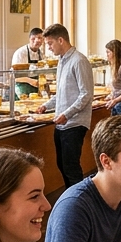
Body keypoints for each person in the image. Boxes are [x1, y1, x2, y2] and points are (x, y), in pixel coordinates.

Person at [35, 24, 93, 189]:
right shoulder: (61, 61)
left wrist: (66, 114)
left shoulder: (79, 61)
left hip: (74, 123)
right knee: (62, 165)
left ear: (61, 40)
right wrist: (46, 106)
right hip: (61, 123)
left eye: (50, 43)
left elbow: (86, 94)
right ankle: (71, 200)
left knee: (71, 167)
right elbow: (61, 93)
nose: (49, 48)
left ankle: (80, 203)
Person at [11, 28, 45, 96]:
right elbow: (14, 77)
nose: (37, 41)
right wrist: (30, 81)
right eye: (33, 39)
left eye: (39, 38)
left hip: (36, 89)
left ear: (43, 40)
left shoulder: (41, 54)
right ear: (29, 39)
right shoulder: (20, 53)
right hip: (22, 88)